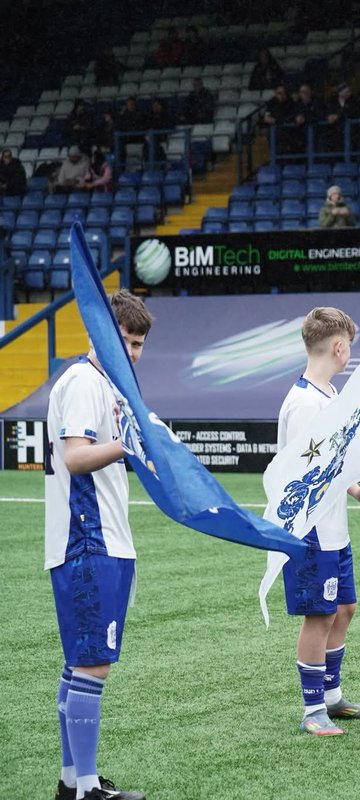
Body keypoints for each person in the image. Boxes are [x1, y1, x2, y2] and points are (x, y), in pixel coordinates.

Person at [45, 289, 153, 800]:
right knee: (92, 662)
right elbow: (75, 457)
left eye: (138, 344)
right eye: (125, 340)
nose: (132, 352)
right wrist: (133, 444)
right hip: (87, 538)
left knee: (80, 660)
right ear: (98, 332)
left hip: (97, 536)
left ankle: (73, 780)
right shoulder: (86, 382)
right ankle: (85, 787)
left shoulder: (105, 382)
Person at [276, 308, 360, 735]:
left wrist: (356, 488)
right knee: (319, 616)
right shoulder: (304, 403)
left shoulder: (329, 396)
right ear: (339, 348)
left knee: (344, 608)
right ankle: (312, 709)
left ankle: (333, 697)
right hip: (309, 530)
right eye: (349, 347)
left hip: (333, 527)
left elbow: (331, 466)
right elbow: (307, 475)